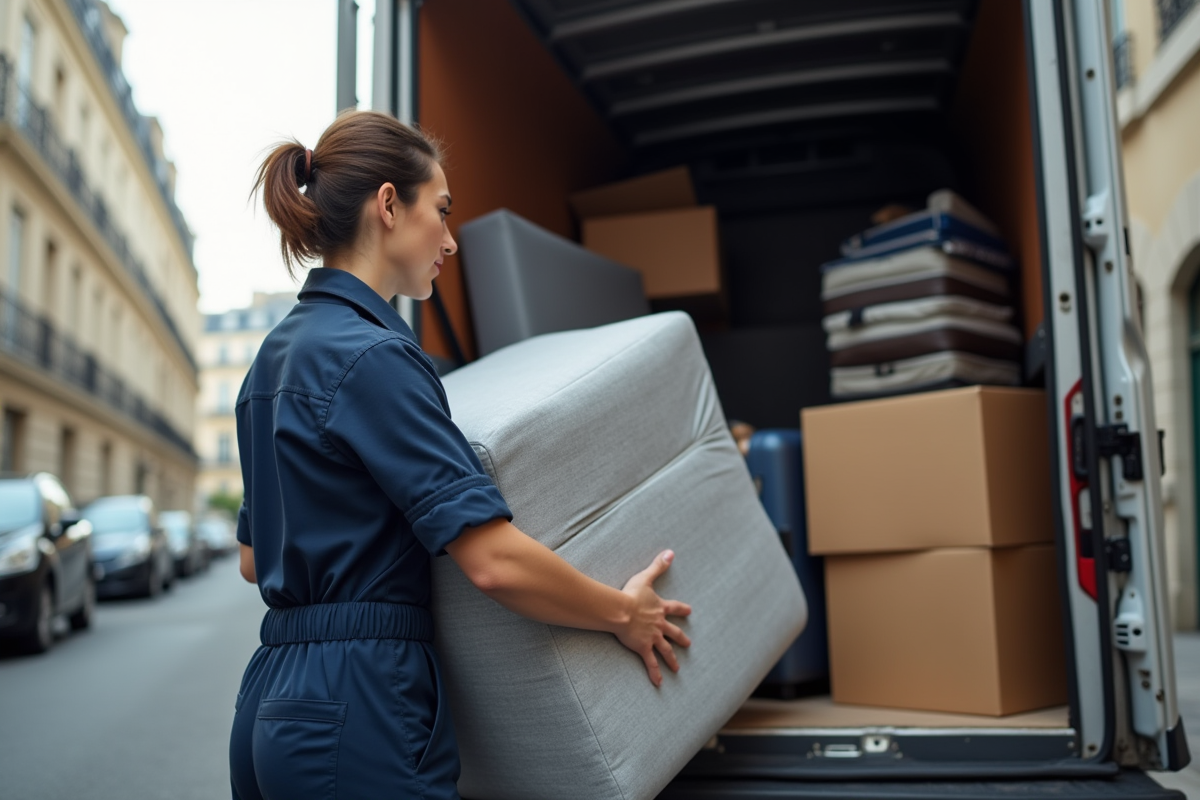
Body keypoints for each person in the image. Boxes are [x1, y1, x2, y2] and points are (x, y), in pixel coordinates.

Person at [228, 110, 693, 800]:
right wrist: (625, 614)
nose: (449, 240)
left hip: (271, 700)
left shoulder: (274, 358)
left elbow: (253, 558)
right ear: (389, 205)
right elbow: (494, 561)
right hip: (357, 706)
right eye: (440, 212)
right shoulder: (374, 357)